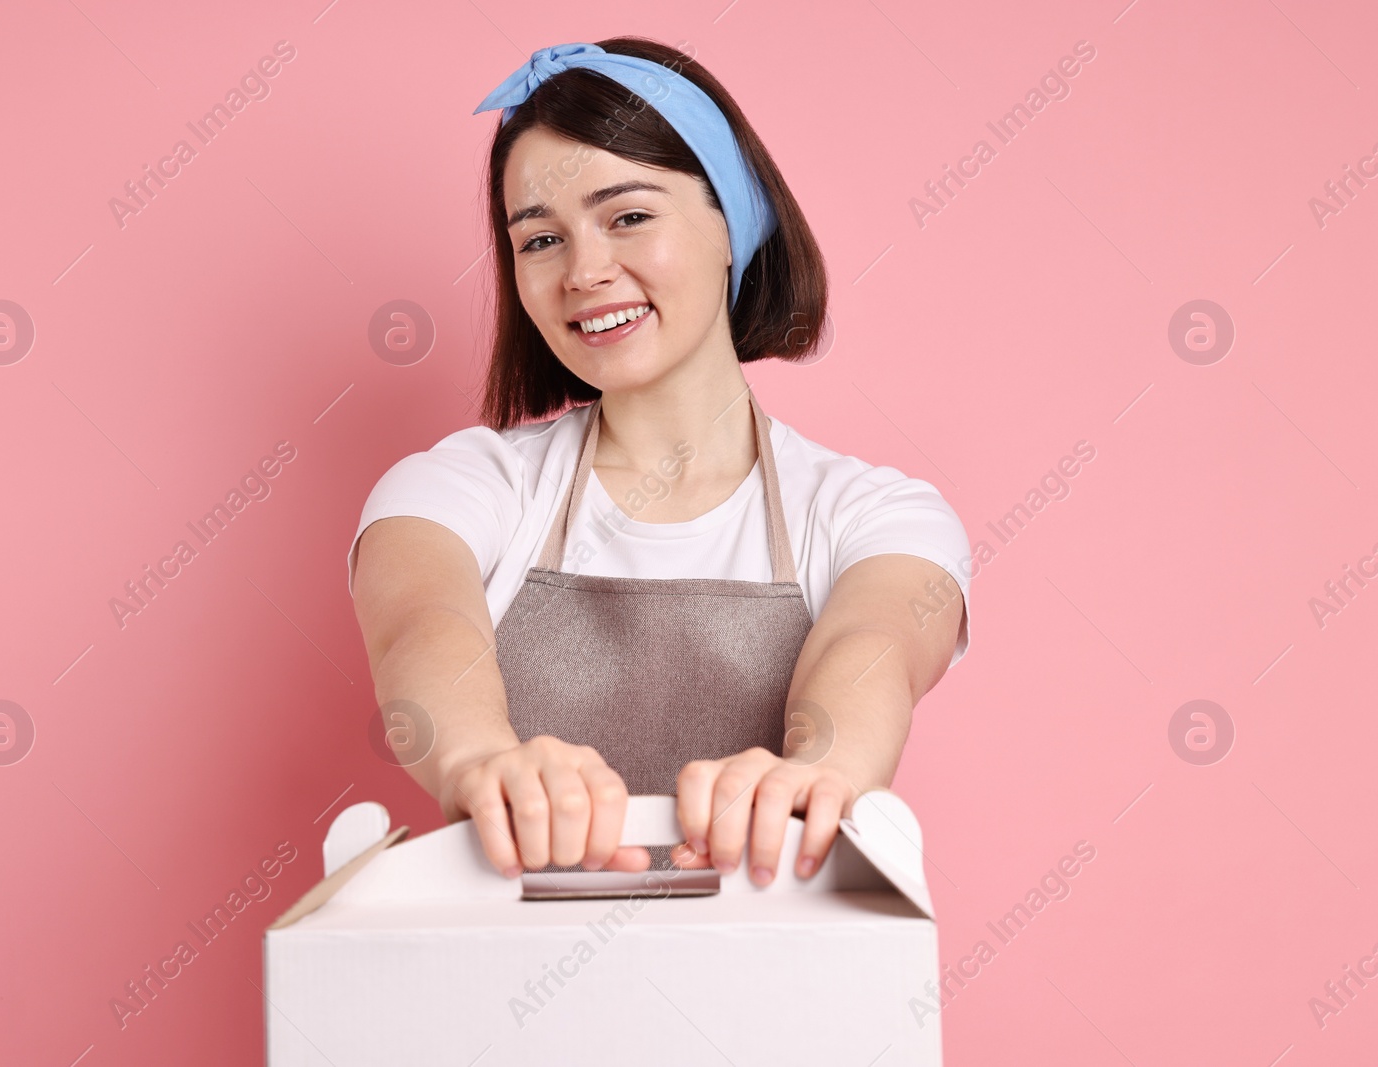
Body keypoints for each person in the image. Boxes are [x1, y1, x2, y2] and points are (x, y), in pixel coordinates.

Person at [348, 37, 971, 888]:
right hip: (499, 998)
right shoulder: (460, 488)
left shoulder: (875, 514)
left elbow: (875, 647)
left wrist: (816, 772)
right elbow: (419, 628)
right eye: (540, 240)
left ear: (732, 224)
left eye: (629, 216)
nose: (585, 271)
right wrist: (480, 761)